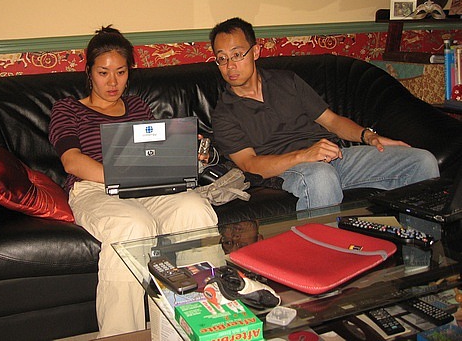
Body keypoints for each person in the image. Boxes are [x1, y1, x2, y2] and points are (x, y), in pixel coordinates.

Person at [49, 26, 218, 338]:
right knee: (133, 225)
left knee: (195, 208)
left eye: (121, 72)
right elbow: (71, 161)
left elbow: (154, 154)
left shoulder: (138, 107)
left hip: (146, 185)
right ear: (89, 72)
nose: (113, 82)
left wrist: (185, 153)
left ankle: (202, 320)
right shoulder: (68, 109)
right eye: (103, 73)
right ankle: (121, 335)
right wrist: (122, 174)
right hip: (94, 188)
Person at [209, 17, 440, 211]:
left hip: (333, 156)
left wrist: (368, 136)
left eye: (237, 54)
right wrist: (305, 155)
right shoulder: (224, 113)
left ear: (255, 52)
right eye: (222, 58)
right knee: (320, 176)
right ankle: (323, 251)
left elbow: (332, 121)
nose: (230, 66)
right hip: (288, 170)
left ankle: (416, 248)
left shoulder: (287, 81)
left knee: (421, 161)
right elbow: (250, 165)